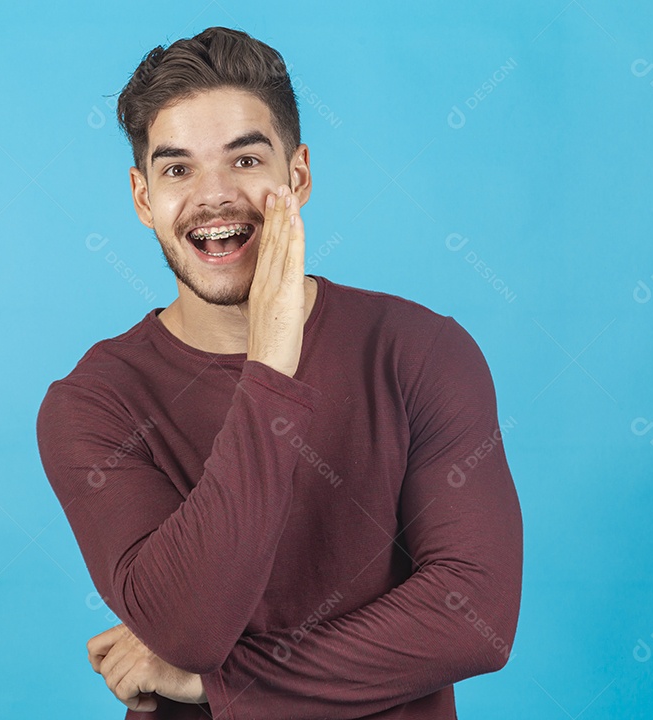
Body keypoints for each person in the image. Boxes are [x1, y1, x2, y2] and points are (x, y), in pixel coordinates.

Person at [36, 26, 523, 718]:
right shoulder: (93, 406)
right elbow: (188, 628)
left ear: (296, 176)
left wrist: (223, 684)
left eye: (244, 161)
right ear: (144, 199)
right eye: (178, 169)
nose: (213, 198)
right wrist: (269, 365)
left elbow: (474, 617)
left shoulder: (420, 350)